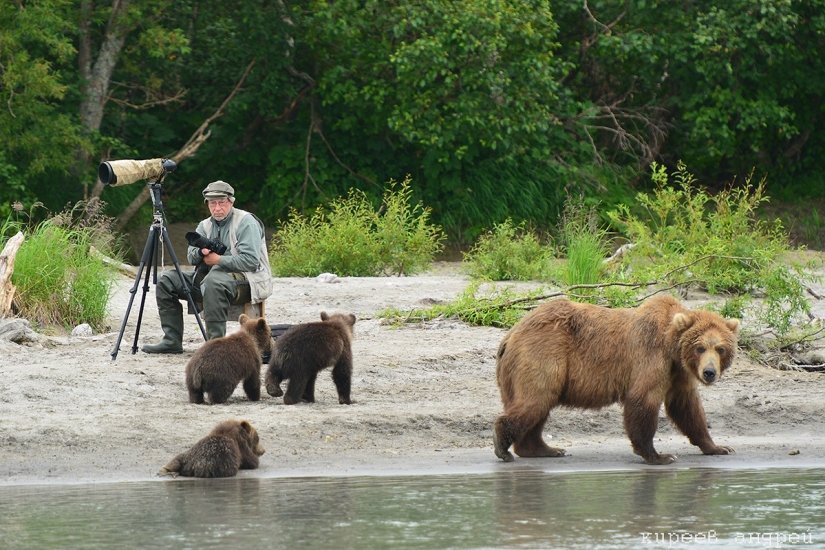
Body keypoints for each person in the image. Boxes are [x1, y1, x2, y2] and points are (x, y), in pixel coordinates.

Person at [142, 180, 273, 354]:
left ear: (231, 202)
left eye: (222, 202)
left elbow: (250, 261)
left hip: (248, 282)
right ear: (207, 204)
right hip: (211, 278)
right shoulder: (205, 225)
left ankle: (216, 347)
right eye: (213, 203)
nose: (217, 208)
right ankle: (172, 340)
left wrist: (218, 259)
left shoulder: (246, 222)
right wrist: (201, 253)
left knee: (213, 282)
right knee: (167, 280)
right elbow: (190, 255)